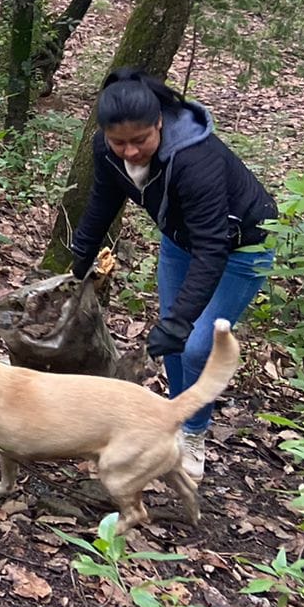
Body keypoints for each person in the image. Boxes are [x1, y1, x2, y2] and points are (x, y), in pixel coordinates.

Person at [68, 68, 277, 483]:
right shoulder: (106, 150)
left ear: (159, 123)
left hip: (241, 248)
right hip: (180, 243)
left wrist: (179, 320)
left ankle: (193, 435)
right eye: (119, 142)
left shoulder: (196, 160)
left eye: (140, 141)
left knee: (197, 344)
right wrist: (81, 257)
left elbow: (213, 248)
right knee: (175, 345)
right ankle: (176, 421)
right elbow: (104, 200)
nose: (129, 151)